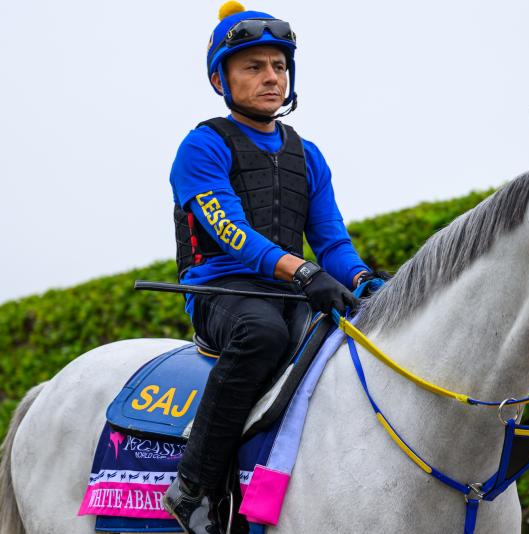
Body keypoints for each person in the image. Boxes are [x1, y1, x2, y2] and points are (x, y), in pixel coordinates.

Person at [163, 3, 382, 532]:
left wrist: (363, 282)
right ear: (221, 77)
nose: (271, 78)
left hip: (289, 292)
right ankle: (192, 487)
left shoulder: (309, 155)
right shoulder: (202, 145)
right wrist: (304, 274)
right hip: (223, 290)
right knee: (261, 335)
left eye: (279, 66)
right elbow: (232, 235)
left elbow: (330, 241)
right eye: (253, 67)